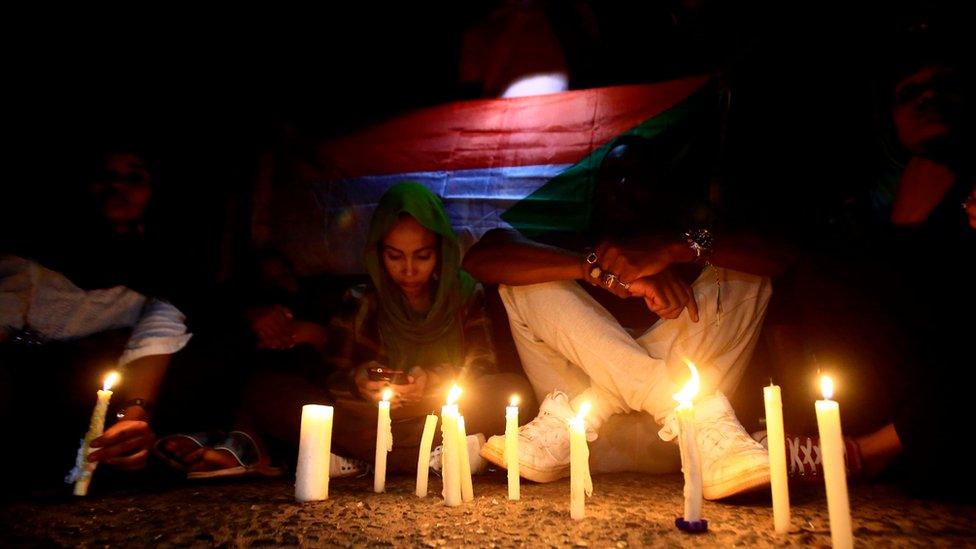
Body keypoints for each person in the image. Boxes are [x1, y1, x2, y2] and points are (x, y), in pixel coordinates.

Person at [463, 135, 794, 500]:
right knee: (523, 281)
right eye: (614, 177)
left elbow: (780, 255)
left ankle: (644, 405)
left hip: (679, 444)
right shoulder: (570, 246)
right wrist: (594, 269)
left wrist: (672, 250)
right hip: (581, 438)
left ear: (661, 191)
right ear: (596, 190)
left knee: (745, 275)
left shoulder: (685, 248)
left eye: (637, 179)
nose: (622, 188)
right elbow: (482, 257)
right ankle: (698, 412)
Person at [158, 182, 535, 476]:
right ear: (377, 252)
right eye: (394, 256)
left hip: (439, 417)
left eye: (422, 256)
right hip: (367, 421)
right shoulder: (362, 299)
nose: (408, 270)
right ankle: (421, 459)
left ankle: (367, 459)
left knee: (511, 391)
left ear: (441, 251)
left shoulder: (465, 297)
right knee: (267, 391)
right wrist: (360, 380)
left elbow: (484, 368)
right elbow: (332, 378)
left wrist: (436, 380)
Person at [756, 53, 974, 500]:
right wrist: (907, 230)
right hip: (921, 405)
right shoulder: (879, 202)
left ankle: (866, 451)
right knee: (809, 272)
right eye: (909, 93)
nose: (928, 98)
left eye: (945, 84)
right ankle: (808, 430)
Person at [0, 148, 191, 495]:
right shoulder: (32, 254)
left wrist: (131, 422)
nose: (116, 186)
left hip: (89, 408)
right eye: (104, 176)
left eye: (133, 177)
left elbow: (158, 335)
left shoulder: (164, 269)